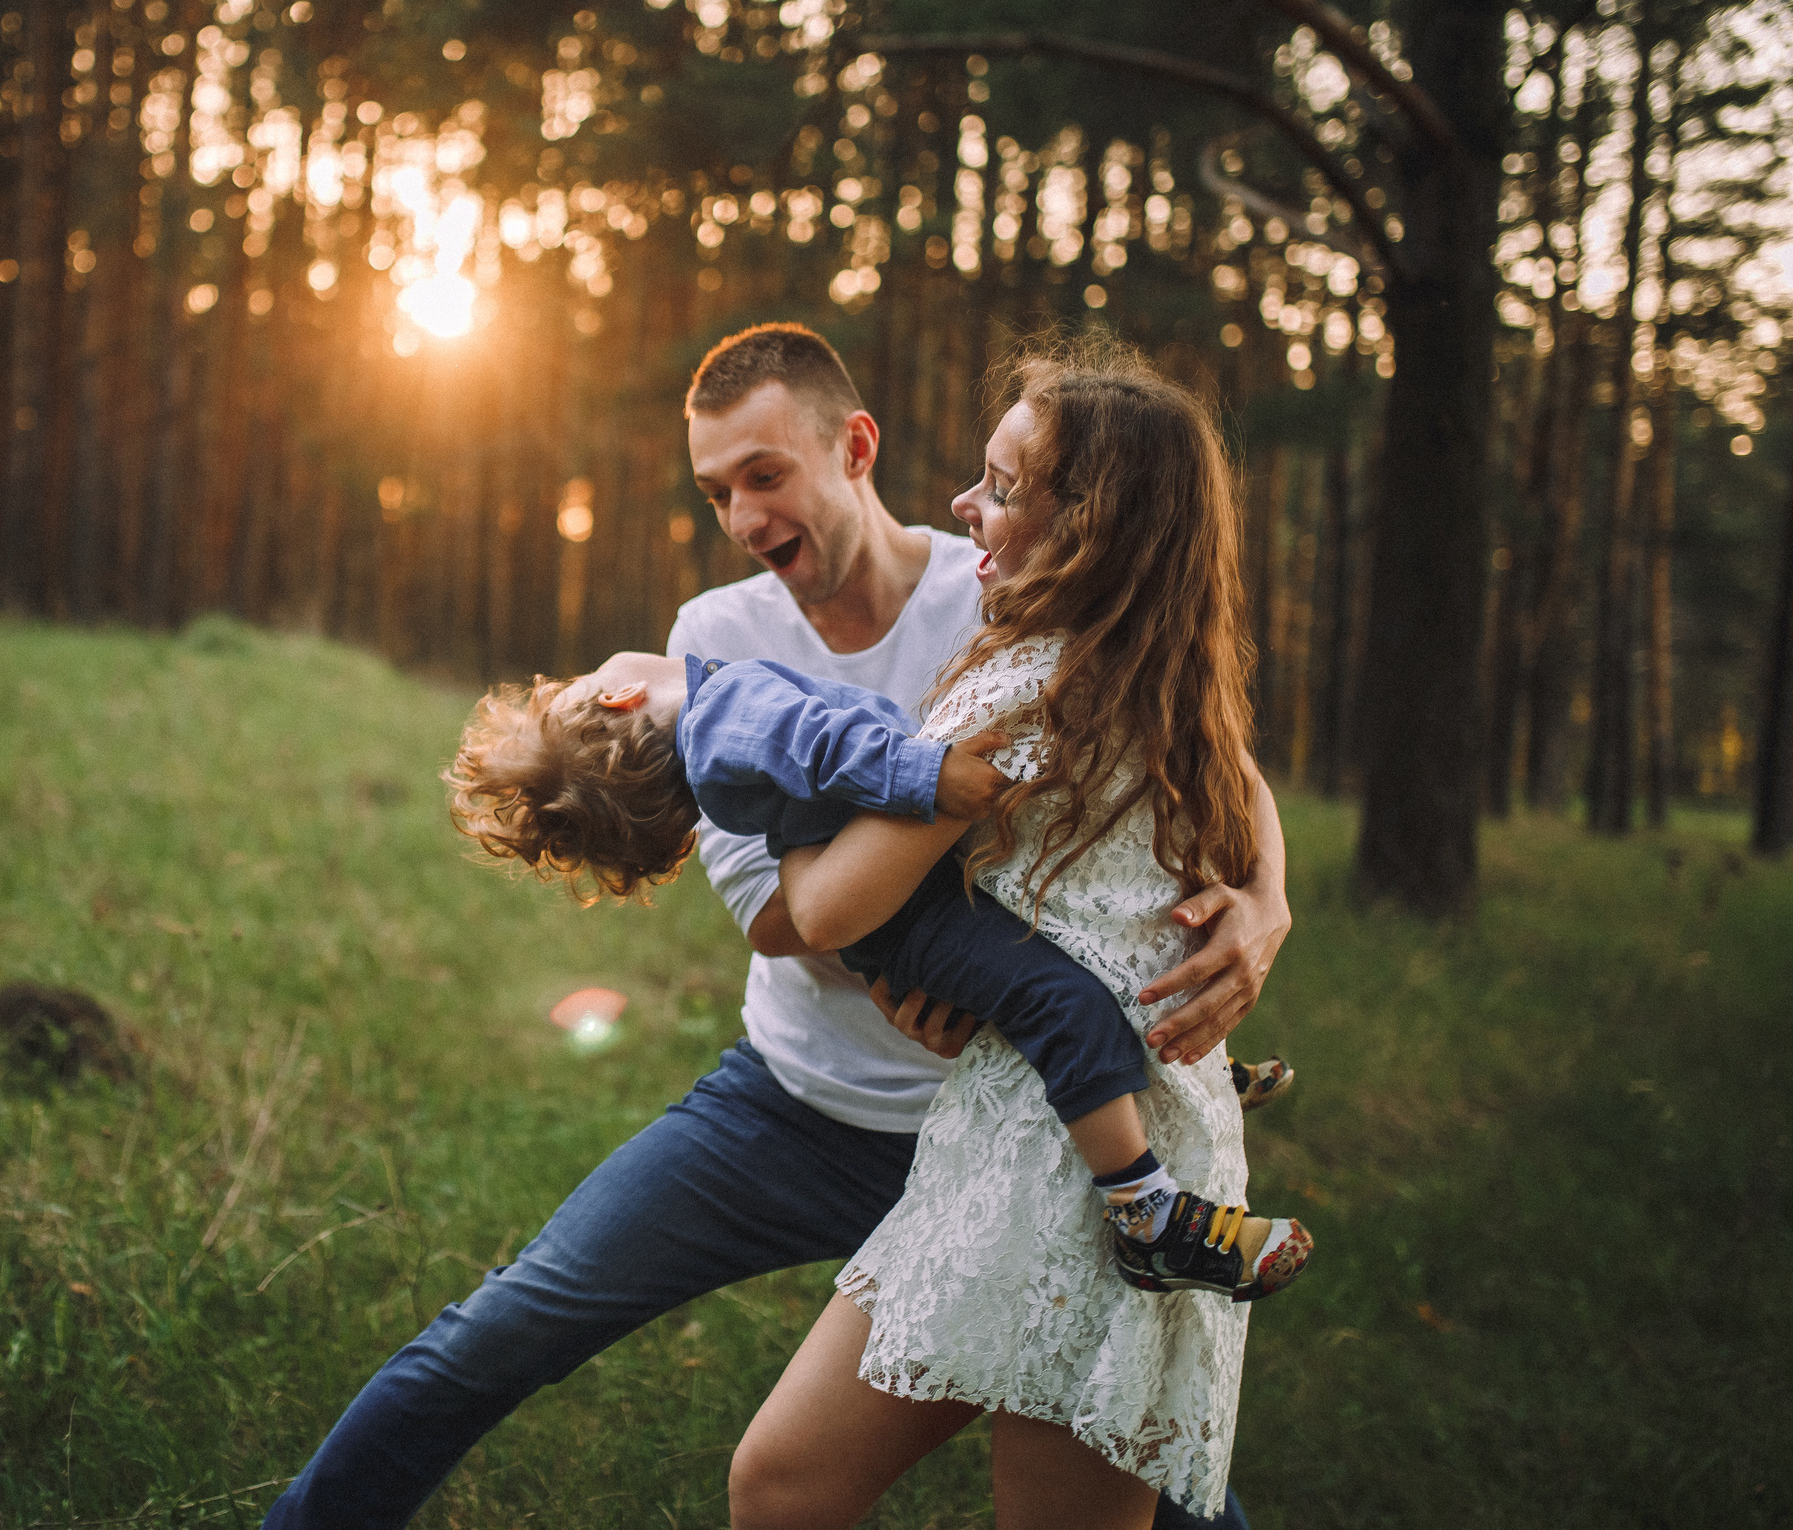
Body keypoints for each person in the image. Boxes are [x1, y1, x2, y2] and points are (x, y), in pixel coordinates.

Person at [257, 324, 1291, 1529]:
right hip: (799, 1107)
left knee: (1148, 1454)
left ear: (853, 447)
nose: (744, 517)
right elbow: (781, 915)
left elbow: (1202, 743)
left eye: (763, 475)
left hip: (1021, 1127)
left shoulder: (1002, 580)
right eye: (716, 493)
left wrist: (1264, 900)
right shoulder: (714, 640)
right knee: (514, 1321)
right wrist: (929, 959)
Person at [729, 340, 1280, 1528]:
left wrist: (778, 800)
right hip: (1062, 1135)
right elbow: (1239, 790)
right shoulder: (1164, 677)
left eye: (1002, 485)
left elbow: (825, 912)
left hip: (1064, 1165)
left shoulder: (1022, 687)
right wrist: (1269, 892)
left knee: (784, 1485)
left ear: (1087, 527)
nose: (962, 503)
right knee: (785, 1480)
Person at [444, 648, 1312, 1302]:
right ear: (617, 695)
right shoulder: (721, 717)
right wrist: (932, 776)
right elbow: (822, 744)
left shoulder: (711, 735)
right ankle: (1148, 1216)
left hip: (905, 908)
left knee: (1067, 963)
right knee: (1059, 998)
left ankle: (1172, 1078)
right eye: (581, 679)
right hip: (912, 916)